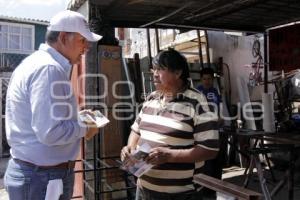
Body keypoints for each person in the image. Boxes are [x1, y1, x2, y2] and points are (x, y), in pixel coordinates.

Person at [4, 10, 102, 200]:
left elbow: (45, 122)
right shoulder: (48, 69)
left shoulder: (37, 63)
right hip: (42, 178)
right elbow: (50, 132)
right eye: (83, 40)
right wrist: (85, 127)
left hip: (39, 175)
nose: (86, 47)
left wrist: (78, 118)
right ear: (64, 37)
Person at [121, 49, 219, 200]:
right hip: (143, 189)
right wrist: (130, 148)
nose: (154, 74)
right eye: (154, 69)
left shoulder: (198, 102)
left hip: (181, 194)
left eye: (160, 69)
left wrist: (170, 156)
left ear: (178, 73)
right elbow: (136, 130)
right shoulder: (151, 98)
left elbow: (209, 149)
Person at [197, 67, 223, 198]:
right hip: (203, 133)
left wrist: (221, 118)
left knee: (217, 162)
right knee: (206, 163)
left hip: (216, 131)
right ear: (201, 80)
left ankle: (214, 189)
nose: (207, 81)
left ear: (213, 80)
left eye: (209, 79)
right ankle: (205, 190)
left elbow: (219, 109)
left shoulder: (215, 92)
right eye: (204, 79)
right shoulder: (197, 92)